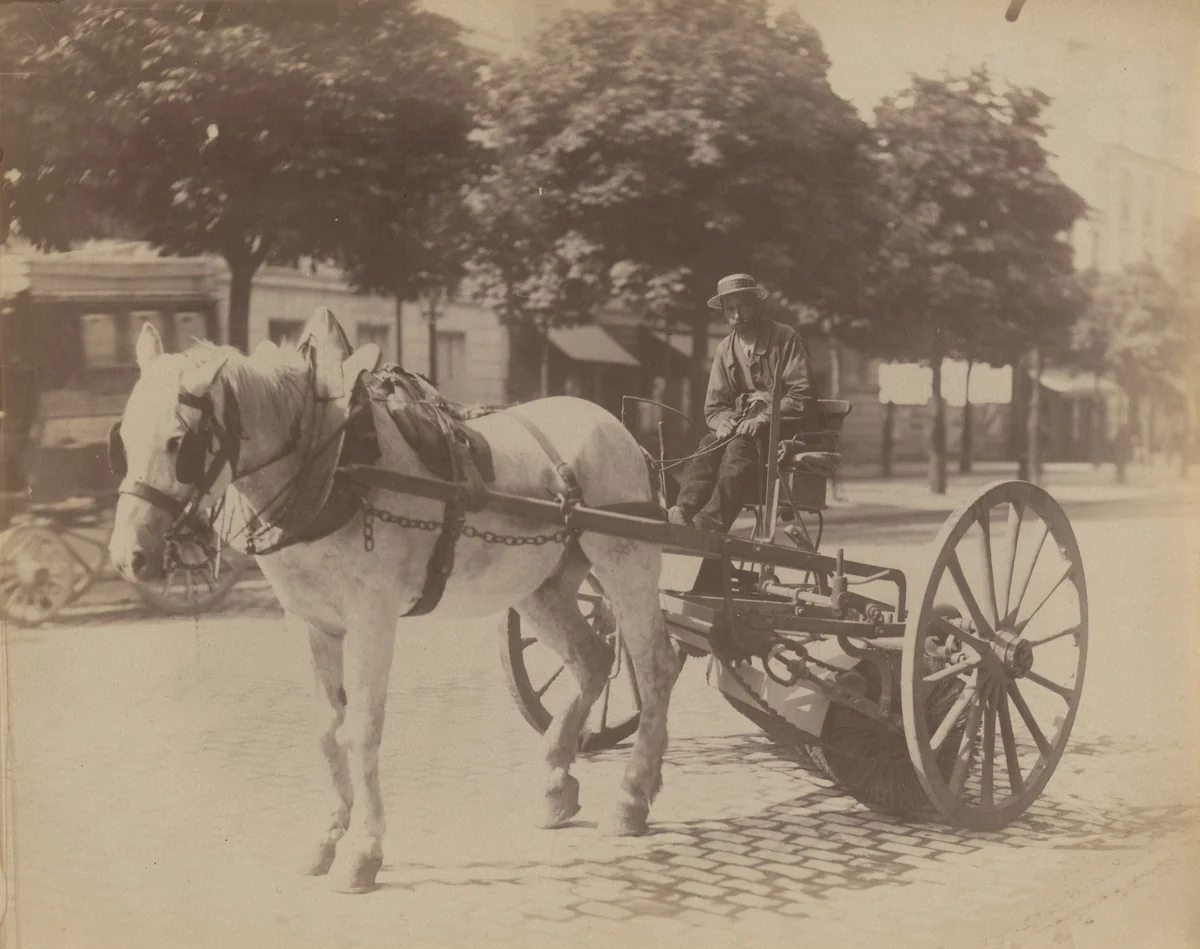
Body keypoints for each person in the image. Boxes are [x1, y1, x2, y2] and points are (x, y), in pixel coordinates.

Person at [668, 273, 818, 533]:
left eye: (743, 306)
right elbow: (714, 407)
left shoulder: (785, 338)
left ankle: (712, 522)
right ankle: (683, 510)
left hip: (783, 430)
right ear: (724, 313)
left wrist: (764, 417)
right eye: (730, 309)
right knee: (708, 443)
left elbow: (802, 394)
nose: (737, 315)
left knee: (739, 447)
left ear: (756, 304)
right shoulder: (725, 349)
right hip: (741, 429)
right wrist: (723, 422)